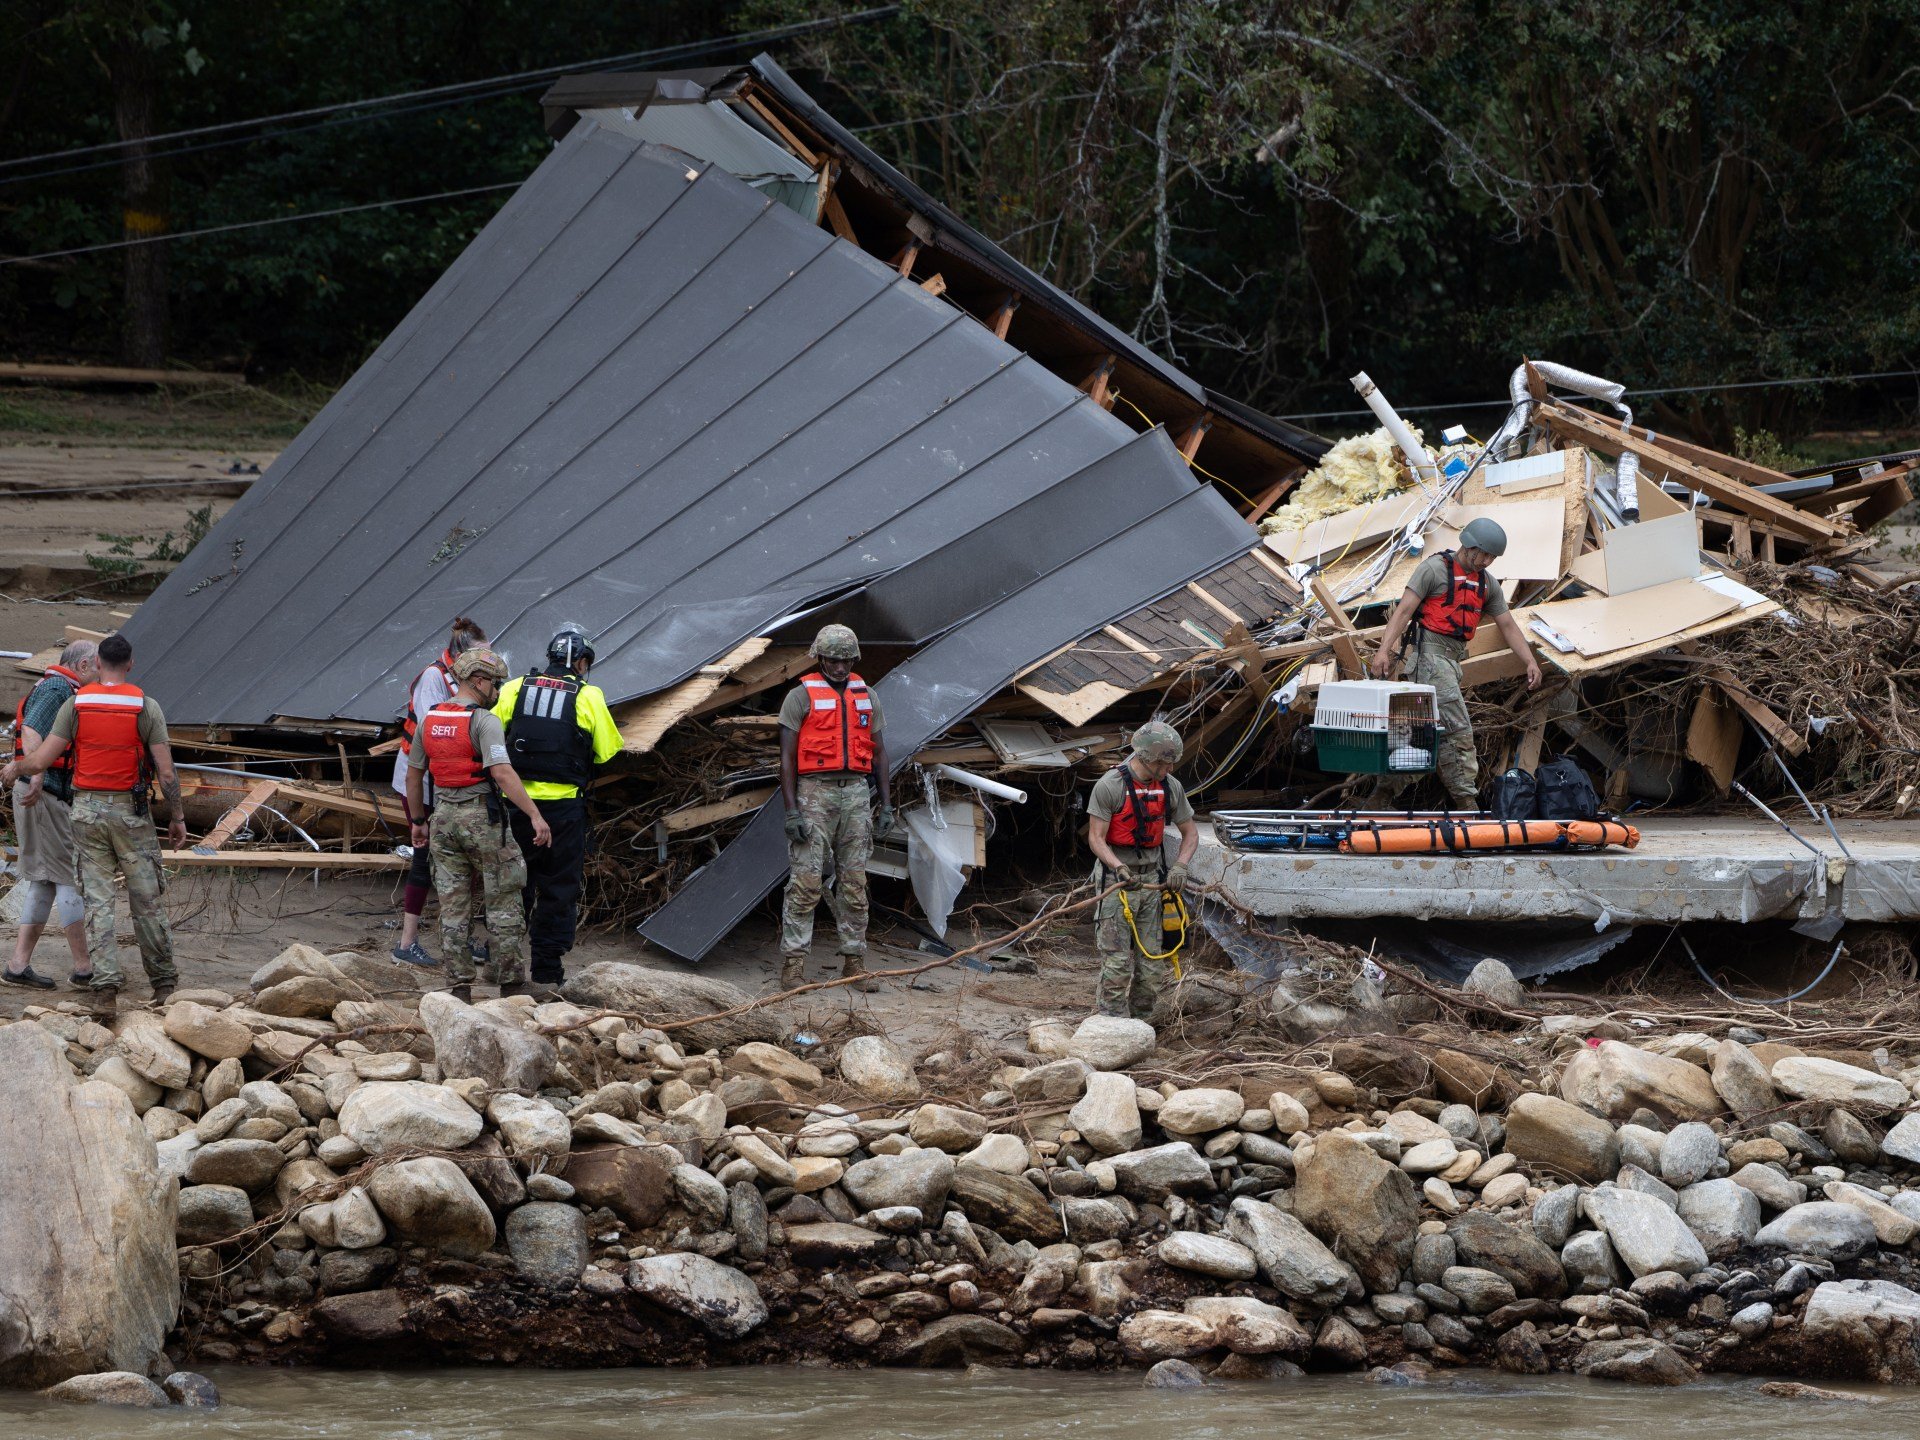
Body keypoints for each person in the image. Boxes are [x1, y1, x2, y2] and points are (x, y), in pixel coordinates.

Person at [1, 631, 185, 1016]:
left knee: (98, 901)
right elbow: (166, 773)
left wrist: (16, 768)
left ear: (98, 664)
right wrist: (178, 817)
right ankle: (164, 984)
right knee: (147, 899)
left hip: (85, 814)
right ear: (130, 664)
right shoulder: (145, 706)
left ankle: (104, 990)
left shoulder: (77, 704)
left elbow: (42, 758)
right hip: (131, 815)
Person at [405, 646, 551, 1000]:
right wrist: (534, 814)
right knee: (503, 898)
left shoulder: (430, 719)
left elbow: (414, 776)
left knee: (453, 905)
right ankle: (511, 984)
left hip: (442, 820)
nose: (498, 692)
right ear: (478, 681)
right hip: (482, 819)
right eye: (495, 684)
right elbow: (501, 772)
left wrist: (419, 821)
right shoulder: (484, 722)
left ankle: (459, 988)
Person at [1369, 517, 1543, 809]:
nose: (1487, 561)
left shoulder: (1485, 583)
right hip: (1428, 660)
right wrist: (1383, 651)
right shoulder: (1433, 569)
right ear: (1469, 545)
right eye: (1484, 554)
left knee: (1414, 735)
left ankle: (1379, 798)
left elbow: (1508, 625)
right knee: (1458, 732)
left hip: (1451, 664)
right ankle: (1467, 804)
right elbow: (1403, 612)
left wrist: (1530, 661)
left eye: (1492, 557)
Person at [494, 622, 621, 993]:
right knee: (557, 888)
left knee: (513, 887)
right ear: (581, 663)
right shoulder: (588, 695)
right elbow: (608, 750)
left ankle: (505, 967)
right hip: (562, 812)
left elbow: (491, 733)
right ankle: (547, 971)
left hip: (515, 808)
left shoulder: (515, 687)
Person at [777, 624, 894, 990]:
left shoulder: (867, 695)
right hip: (814, 792)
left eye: (846, 660)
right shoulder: (800, 696)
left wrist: (887, 805)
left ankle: (854, 963)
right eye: (832, 660)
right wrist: (792, 810)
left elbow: (880, 754)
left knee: (855, 881)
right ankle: (793, 965)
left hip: (857, 794)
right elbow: (786, 758)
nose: (840, 668)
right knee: (806, 881)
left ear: (854, 659)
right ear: (820, 658)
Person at [390, 617, 488, 967]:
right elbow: (435, 737)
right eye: (482, 658)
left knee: (466, 861)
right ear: (463, 657)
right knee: (424, 858)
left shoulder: (469, 680)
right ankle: (407, 943)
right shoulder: (434, 678)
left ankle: (463, 939)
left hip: (452, 782)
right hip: (423, 782)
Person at [1086, 720, 1197, 1020]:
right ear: (1148, 758)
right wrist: (1118, 866)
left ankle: (1141, 1025)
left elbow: (1191, 834)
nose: (1169, 770)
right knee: (1118, 964)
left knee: (1152, 967)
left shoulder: (1170, 787)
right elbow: (1096, 838)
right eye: (1165, 763)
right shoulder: (1110, 786)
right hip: (1116, 881)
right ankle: (1110, 1025)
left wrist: (1181, 866)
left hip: (1152, 881)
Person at [4, 639, 98, 989]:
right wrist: (39, 773)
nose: (102, 675)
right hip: (41, 795)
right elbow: (31, 731)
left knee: (43, 880)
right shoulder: (59, 688)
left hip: (41, 794)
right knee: (67, 877)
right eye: (99, 667)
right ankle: (84, 968)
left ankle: (17, 966)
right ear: (85, 665)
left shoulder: (57, 686)